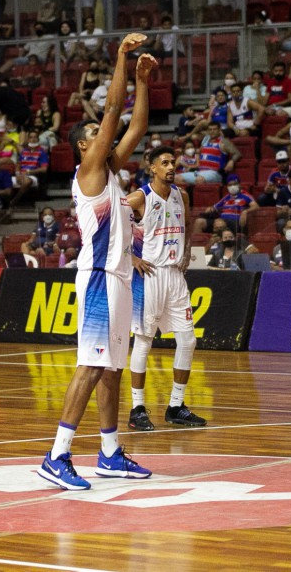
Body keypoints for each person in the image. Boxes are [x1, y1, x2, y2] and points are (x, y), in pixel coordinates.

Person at [37, 35, 156, 491]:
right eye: (92, 137)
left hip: (122, 277)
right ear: (82, 149)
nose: (101, 136)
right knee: (90, 367)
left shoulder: (111, 170)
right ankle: (57, 454)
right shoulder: (88, 173)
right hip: (99, 278)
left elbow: (136, 126)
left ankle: (109, 453)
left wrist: (143, 82)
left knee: (112, 370)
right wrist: (122, 58)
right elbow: (112, 113)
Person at [128, 144, 207, 432]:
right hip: (149, 275)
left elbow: (186, 226)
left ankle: (175, 406)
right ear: (152, 167)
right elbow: (111, 227)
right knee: (144, 341)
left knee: (188, 340)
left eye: (173, 162)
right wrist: (132, 255)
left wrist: (187, 251)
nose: (171, 167)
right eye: (165, 163)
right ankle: (137, 408)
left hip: (175, 275)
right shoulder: (139, 197)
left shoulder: (181, 195)